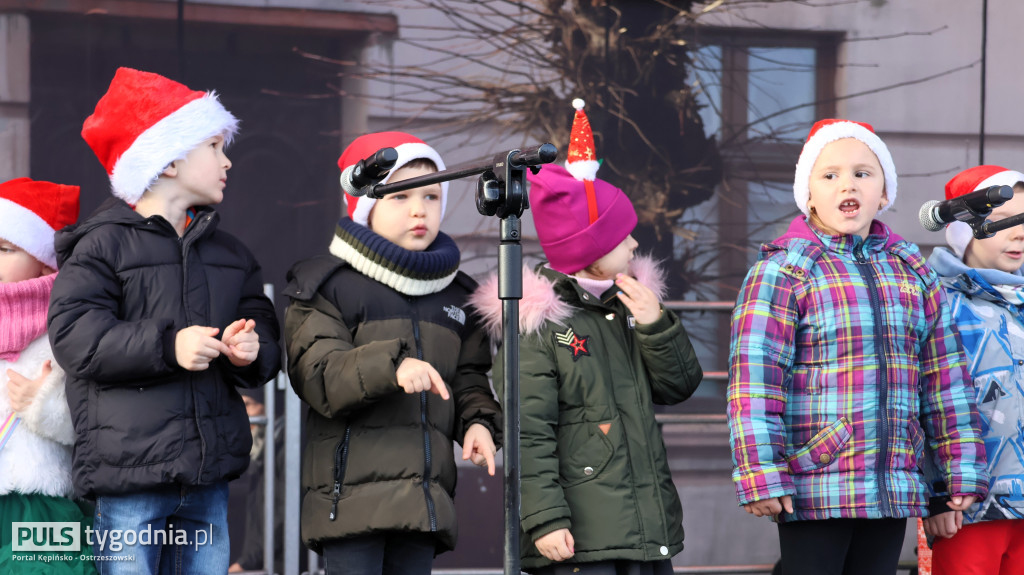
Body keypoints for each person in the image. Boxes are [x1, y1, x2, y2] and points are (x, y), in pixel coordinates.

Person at [727, 119, 989, 575]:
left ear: (884, 193)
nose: (847, 183)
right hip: (816, 480)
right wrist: (760, 472)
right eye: (830, 175)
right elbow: (754, 382)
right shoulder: (785, 270)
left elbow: (945, 380)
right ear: (807, 195)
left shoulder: (911, 270)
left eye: (863, 173)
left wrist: (955, 473)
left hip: (892, 483)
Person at [48, 67, 282, 574]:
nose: (228, 160)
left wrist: (253, 347)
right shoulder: (101, 245)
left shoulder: (231, 254)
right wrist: (168, 346)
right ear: (170, 159)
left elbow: (261, 323)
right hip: (129, 478)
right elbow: (74, 335)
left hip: (208, 476)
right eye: (215, 147)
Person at [469, 100, 704, 574]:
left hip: (641, 532)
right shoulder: (539, 325)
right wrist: (545, 519)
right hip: (577, 540)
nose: (636, 244)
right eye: (624, 238)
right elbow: (527, 433)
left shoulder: (633, 305)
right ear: (593, 254)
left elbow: (679, 386)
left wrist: (657, 325)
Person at [284, 131, 502, 575]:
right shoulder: (326, 285)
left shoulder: (459, 295)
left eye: (431, 196)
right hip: (350, 504)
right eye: (400, 196)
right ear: (368, 205)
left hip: (422, 503)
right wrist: (392, 365)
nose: (419, 209)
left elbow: (468, 378)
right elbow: (319, 374)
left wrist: (477, 422)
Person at [924, 165, 1024, 575]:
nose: (1019, 233)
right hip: (968, 510)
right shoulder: (937, 303)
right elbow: (922, 402)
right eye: (1002, 222)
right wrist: (935, 495)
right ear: (964, 228)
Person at [0, 177, 97, 574]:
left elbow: (94, 421)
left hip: (40, 502)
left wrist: (42, 404)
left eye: (5, 249)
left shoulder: (69, 328)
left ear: (44, 259)